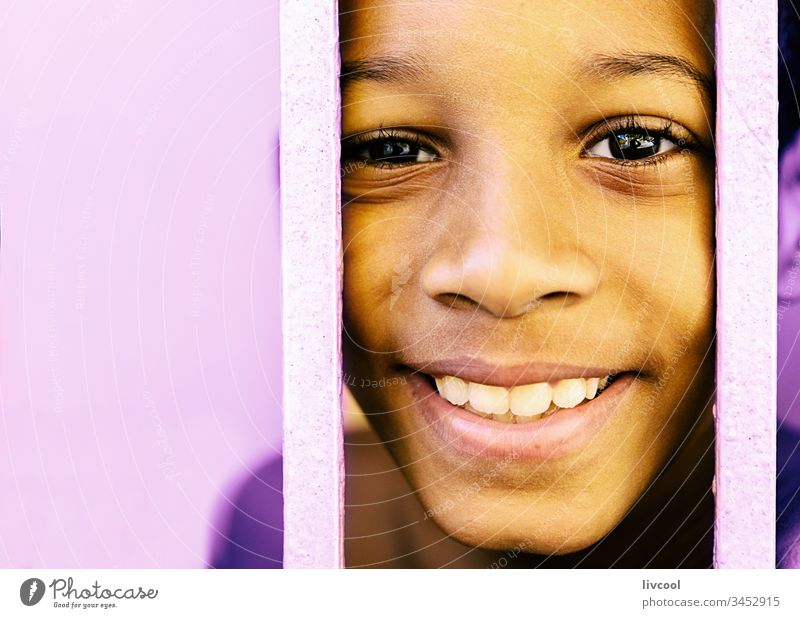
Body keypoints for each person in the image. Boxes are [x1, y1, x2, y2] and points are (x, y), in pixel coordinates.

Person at [338, 0, 716, 568]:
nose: (501, 273)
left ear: (787, 210)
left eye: (632, 144)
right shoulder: (292, 536)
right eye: (391, 150)